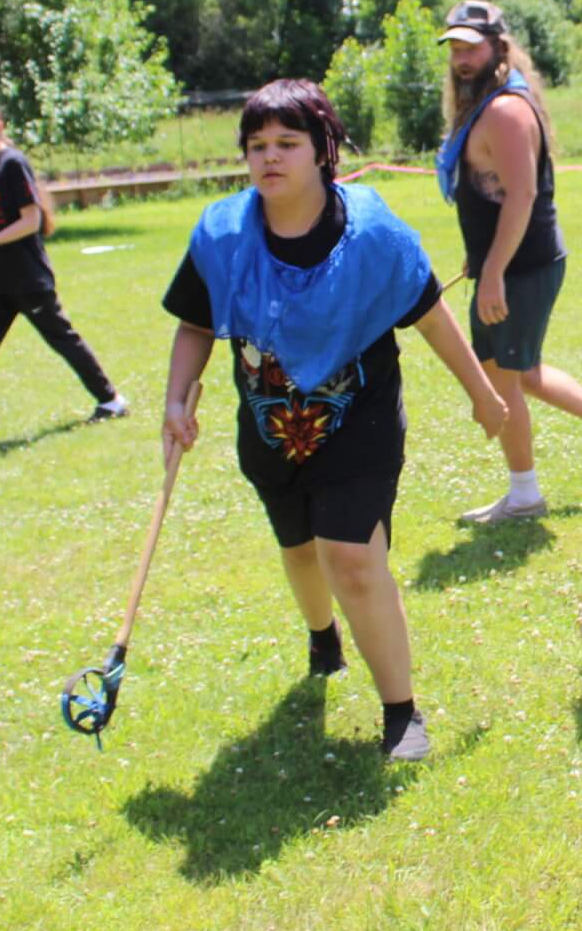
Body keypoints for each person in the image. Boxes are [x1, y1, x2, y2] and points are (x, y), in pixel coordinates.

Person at [160, 80, 508, 761]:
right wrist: (178, 398)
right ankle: (322, 634)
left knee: (350, 555)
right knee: (298, 550)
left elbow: (430, 316)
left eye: (287, 144)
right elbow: (196, 323)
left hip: (360, 424)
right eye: (257, 146)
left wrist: (480, 393)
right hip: (270, 430)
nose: (270, 158)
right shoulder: (223, 234)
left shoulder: (375, 235)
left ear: (323, 151)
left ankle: (400, 712)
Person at [434, 0, 582, 524]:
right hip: (516, 263)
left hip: (520, 267)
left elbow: (522, 197)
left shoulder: (504, 111)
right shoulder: (491, 104)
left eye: (470, 46)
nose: (461, 58)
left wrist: (495, 273)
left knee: (501, 376)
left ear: (498, 48)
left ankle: (524, 493)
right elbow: (494, 193)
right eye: (454, 48)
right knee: (523, 372)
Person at [0, 94, 126, 441]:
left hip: (27, 276)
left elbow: (31, 220)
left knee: (62, 338)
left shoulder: (12, 163)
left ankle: (111, 400)